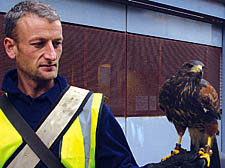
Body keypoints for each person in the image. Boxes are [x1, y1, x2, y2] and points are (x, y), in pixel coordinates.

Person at [0, 1, 206, 168]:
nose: (52, 55)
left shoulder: (89, 110)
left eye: (57, 43)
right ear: (11, 48)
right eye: (39, 44)